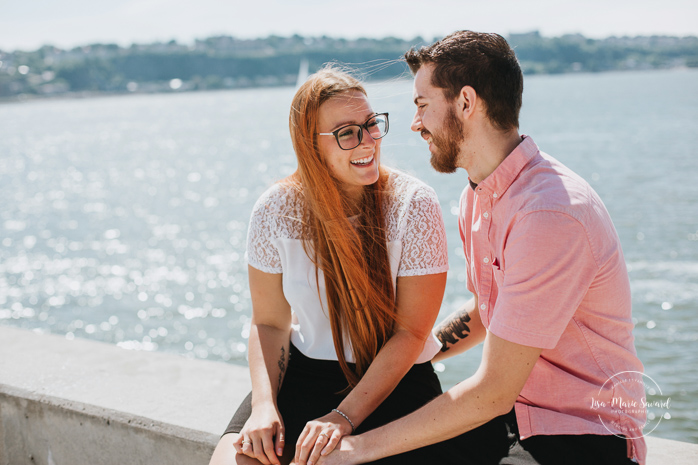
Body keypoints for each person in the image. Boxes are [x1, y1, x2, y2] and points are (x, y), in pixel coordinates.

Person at [312, 31, 647, 465]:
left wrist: (357, 449)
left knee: (367, 451)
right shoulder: (479, 197)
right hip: (514, 419)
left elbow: (491, 391)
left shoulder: (548, 214)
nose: (415, 124)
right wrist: (409, 351)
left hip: (580, 435)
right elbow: (486, 314)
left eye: (421, 105)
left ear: (466, 103)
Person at [208, 66, 465, 465]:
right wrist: (263, 406)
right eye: (347, 132)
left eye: (370, 125)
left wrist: (342, 417)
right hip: (303, 373)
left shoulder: (413, 203)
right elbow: (270, 323)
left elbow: (411, 332)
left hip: (396, 380)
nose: (367, 141)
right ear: (310, 146)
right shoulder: (276, 209)